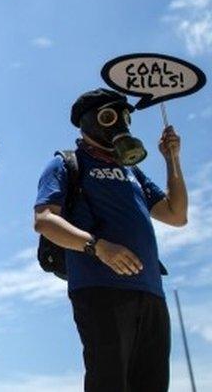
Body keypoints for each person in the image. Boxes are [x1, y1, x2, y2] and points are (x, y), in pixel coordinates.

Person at [33, 88, 188, 392]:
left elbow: (176, 214)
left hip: (151, 292)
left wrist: (172, 159)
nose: (120, 124)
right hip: (100, 288)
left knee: (152, 383)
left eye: (125, 116)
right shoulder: (66, 163)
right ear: (87, 122)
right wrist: (98, 247)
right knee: (110, 382)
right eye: (109, 116)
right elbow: (44, 220)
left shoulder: (133, 172)